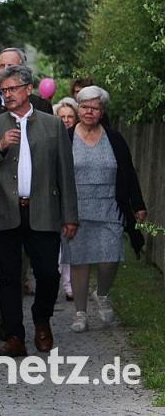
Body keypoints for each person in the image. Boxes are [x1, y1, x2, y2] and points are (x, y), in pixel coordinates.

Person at [0, 65, 78, 357]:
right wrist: (0, 148)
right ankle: (15, 335)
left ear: (28, 89)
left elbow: (65, 172)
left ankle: (42, 319)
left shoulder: (52, 125)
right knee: (9, 277)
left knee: (48, 273)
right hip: (5, 210)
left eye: (13, 89)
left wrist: (70, 216)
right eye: (3, 90)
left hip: (44, 210)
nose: (8, 95)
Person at [0, 47, 53, 340]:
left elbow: (50, 155)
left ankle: (10, 322)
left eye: (10, 65)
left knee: (19, 264)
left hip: (27, 200)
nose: (3, 70)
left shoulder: (41, 107)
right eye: (0, 64)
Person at [64, 86, 147, 332]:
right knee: (79, 261)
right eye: (85, 107)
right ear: (78, 108)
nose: (89, 112)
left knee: (110, 258)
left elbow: (128, 172)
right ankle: (80, 313)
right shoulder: (66, 137)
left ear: (102, 111)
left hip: (110, 206)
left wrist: (138, 204)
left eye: (95, 108)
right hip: (76, 209)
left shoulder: (114, 138)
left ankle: (102, 294)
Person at [53, 97, 80, 300]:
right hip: (53, 197)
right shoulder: (51, 139)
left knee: (70, 242)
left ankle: (69, 284)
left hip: (74, 195)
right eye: (62, 116)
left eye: (70, 116)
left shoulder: (79, 140)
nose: (66, 120)